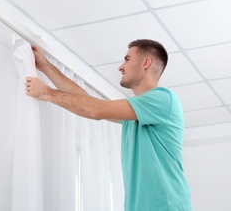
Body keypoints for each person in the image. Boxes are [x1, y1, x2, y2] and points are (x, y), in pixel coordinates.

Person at [25, 39, 192, 211]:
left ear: (146, 62)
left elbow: (96, 109)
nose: (121, 67)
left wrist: (48, 93)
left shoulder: (163, 99)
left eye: (127, 59)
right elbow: (88, 102)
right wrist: (46, 67)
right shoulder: (135, 114)